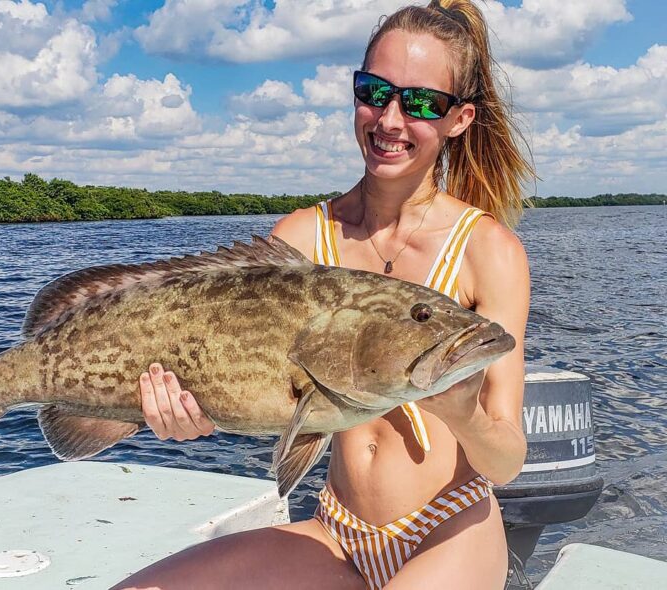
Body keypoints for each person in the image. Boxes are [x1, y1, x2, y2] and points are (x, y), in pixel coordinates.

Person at [113, 1, 533, 588]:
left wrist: (465, 415)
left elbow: (507, 461)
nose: (389, 119)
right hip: (336, 528)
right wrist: (184, 411)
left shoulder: (489, 251)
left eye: (419, 103)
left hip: (450, 530)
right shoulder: (302, 237)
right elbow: (234, 368)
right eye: (373, 91)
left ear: (459, 119)